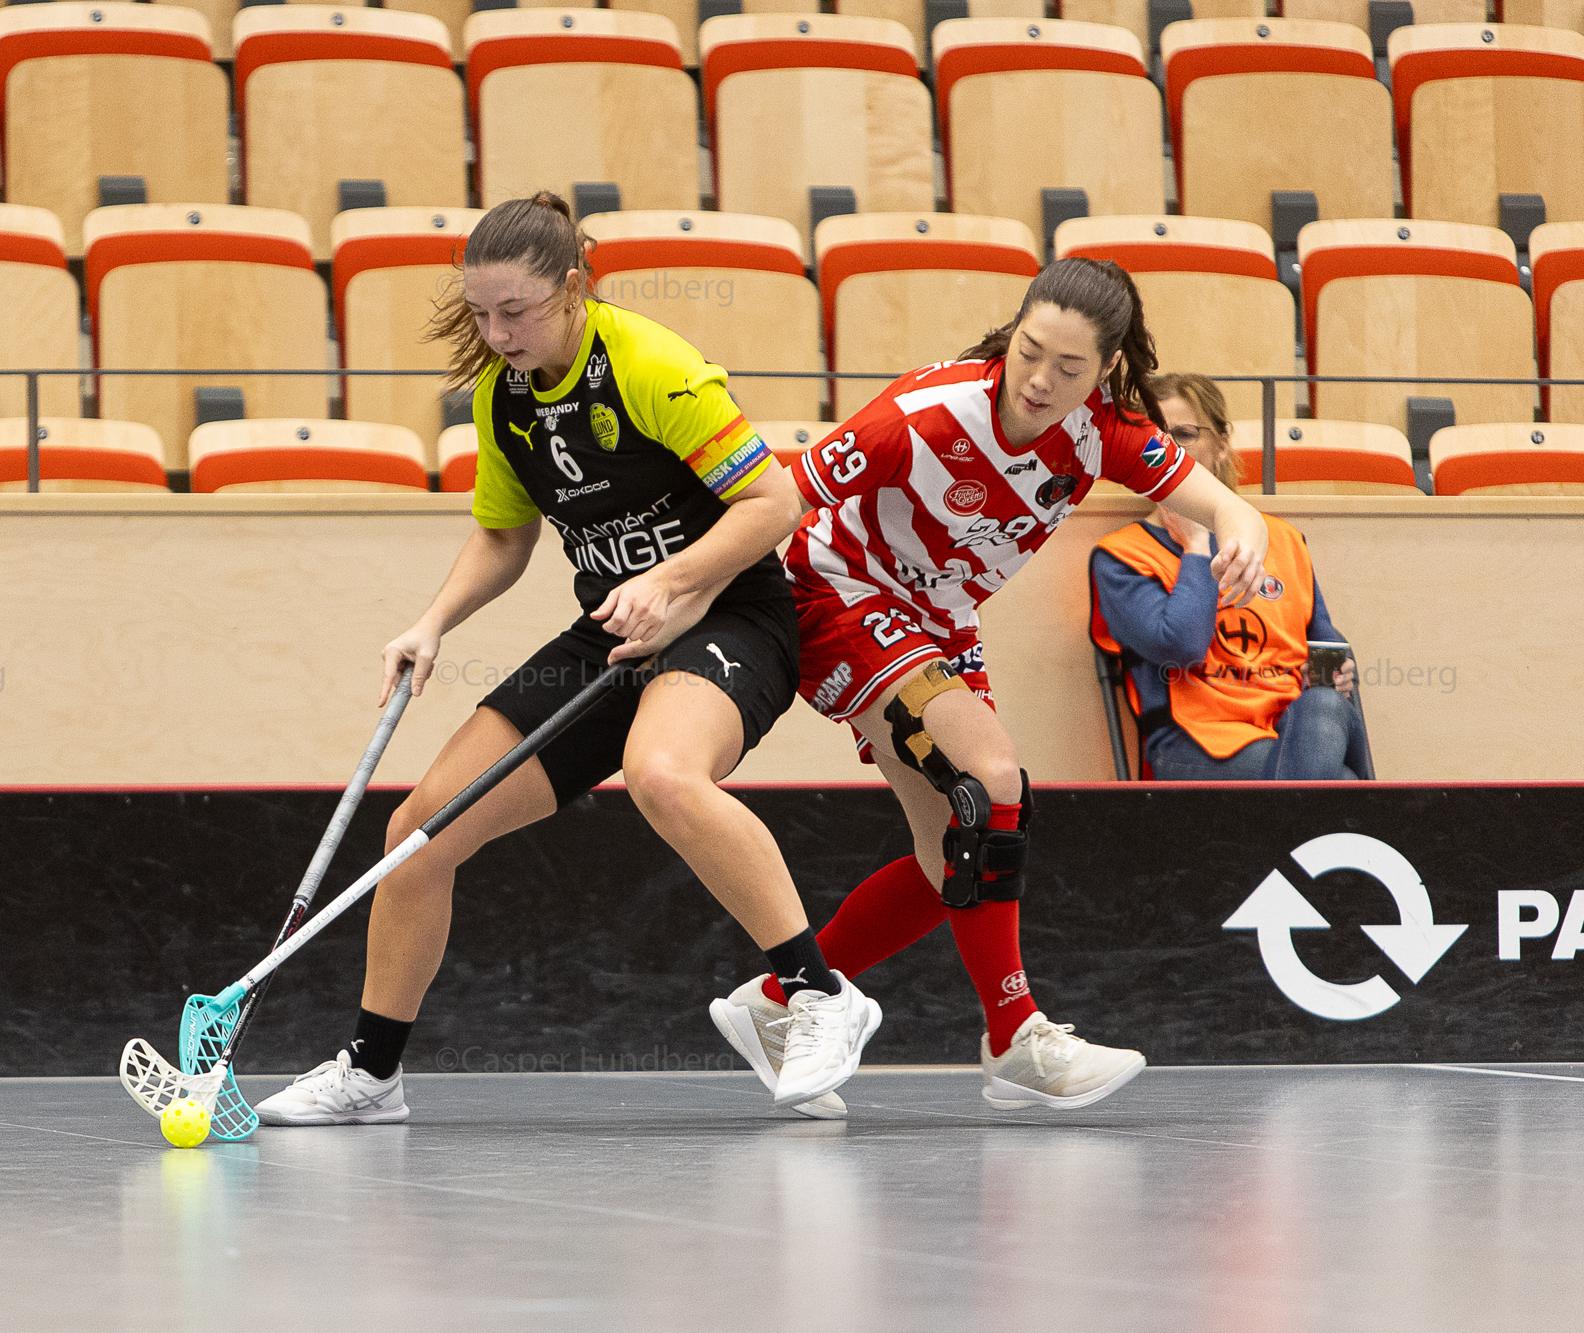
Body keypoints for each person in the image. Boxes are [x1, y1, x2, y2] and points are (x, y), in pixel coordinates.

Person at [254, 193, 879, 1125]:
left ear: (575, 287)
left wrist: (672, 581)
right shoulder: (502, 402)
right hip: (614, 632)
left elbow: (773, 504)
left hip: (729, 614)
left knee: (661, 773)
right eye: (480, 313)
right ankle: (371, 1074)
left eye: (516, 311)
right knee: (420, 833)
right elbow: (504, 538)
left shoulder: (653, 367)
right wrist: (432, 622)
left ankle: (820, 994)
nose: (497, 334)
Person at [708, 260, 1271, 1111]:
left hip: (941, 619)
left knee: (957, 856)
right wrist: (678, 588)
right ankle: (1014, 1037)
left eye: (1069, 368)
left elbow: (1222, 502)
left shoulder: (1102, 432)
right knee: (992, 776)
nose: (1040, 381)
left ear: (1106, 371)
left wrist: (1241, 522)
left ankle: (779, 999)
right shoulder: (923, 413)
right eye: (1029, 351)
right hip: (839, 589)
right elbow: (778, 501)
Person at [1088, 372, 1369, 780]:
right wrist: (1196, 545)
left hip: (1289, 728)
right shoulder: (1121, 556)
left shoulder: (1283, 539)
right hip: (1196, 744)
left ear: (1221, 443)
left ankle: (1301, 814)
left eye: (1184, 434)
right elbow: (1182, 646)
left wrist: (1336, 673)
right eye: (1157, 438)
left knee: (1326, 705)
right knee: (1341, 784)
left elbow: (1326, 643)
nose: (1170, 449)